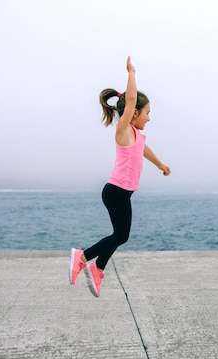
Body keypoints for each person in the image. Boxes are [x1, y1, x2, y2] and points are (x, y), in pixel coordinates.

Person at [69, 56, 171, 297]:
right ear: (133, 113)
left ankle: (97, 269)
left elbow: (144, 151)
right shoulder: (123, 130)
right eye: (147, 113)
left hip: (122, 193)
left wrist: (160, 165)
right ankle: (83, 257)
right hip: (115, 191)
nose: (149, 117)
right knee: (121, 235)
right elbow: (133, 99)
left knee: (120, 235)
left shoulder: (135, 134)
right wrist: (132, 73)